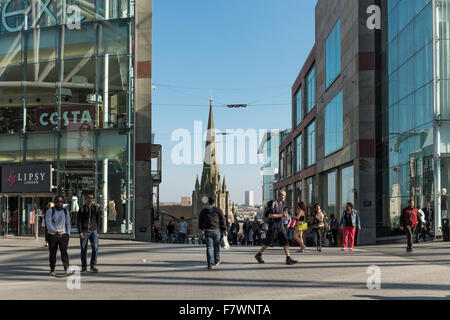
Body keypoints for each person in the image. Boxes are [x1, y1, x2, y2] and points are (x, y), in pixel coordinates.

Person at [254, 190, 298, 265]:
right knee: (268, 242)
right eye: (283, 195)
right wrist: (282, 215)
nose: (284, 197)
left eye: (285, 195)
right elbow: (270, 215)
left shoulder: (281, 204)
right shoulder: (275, 204)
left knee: (285, 241)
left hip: (280, 226)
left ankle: (288, 258)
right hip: (274, 226)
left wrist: (284, 216)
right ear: (279, 196)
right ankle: (259, 254)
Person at [46, 196, 73, 277]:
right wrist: (55, 231)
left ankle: (67, 269)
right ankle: (52, 269)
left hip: (63, 235)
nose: (60, 203)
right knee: (52, 253)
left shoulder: (65, 211)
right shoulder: (50, 211)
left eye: (61, 201)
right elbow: (48, 223)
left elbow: (68, 222)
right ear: (55, 202)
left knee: (64, 252)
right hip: (52, 235)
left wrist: (68, 234)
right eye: (58, 201)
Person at [198, 197, 228, 270]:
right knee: (216, 246)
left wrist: (201, 228)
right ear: (215, 202)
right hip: (216, 230)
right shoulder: (217, 210)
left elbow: (200, 219)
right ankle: (217, 260)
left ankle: (210, 264)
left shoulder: (204, 210)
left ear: (208, 202)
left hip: (207, 230)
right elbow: (222, 220)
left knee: (209, 247)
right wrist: (224, 229)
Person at [77, 193, 100, 273]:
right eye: (89, 198)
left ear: (93, 199)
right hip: (84, 231)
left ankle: (93, 265)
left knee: (95, 248)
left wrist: (98, 231)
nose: (90, 199)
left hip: (94, 231)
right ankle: (84, 267)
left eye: (91, 198)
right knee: (83, 249)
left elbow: (98, 220)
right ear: (86, 198)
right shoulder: (82, 208)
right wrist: (80, 232)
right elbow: (79, 221)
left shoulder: (96, 208)